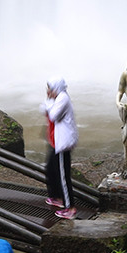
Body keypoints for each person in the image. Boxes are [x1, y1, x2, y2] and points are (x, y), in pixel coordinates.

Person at [42, 77, 78, 220]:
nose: (48, 91)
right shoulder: (59, 98)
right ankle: (57, 197)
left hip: (63, 143)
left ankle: (70, 208)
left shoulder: (62, 98)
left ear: (56, 88)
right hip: (57, 142)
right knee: (51, 169)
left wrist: (48, 102)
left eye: (50, 88)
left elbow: (53, 115)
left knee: (63, 176)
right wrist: (49, 102)